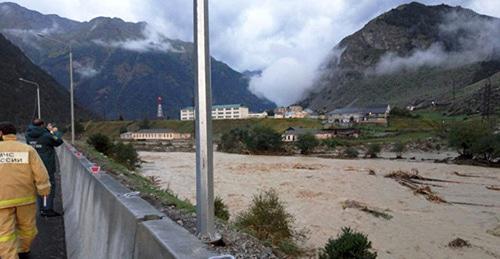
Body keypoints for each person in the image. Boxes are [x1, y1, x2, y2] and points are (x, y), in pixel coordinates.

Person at [0, 122, 51, 259]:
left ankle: (8, 256)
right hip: (25, 198)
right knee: (27, 228)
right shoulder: (27, 150)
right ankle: (23, 249)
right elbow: (40, 173)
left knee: (4, 233)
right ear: (14, 134)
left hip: (2, 201)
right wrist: (44, 190)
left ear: (1, 133)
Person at [25, 119, 64, 217]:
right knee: (48, 186)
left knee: (39, 187)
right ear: (42, 125)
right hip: (47, 165)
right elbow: (58, 141)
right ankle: (47, 209)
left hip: (34, 165)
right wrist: (54, 132)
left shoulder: (28, 135)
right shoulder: (46, 135)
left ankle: (42, 208)